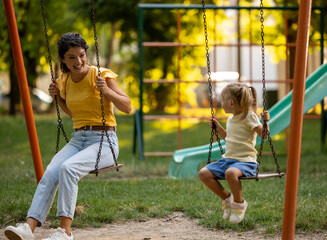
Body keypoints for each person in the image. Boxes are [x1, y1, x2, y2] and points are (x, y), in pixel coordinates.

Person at [4, 32, 131, 240]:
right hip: (78, 139)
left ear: (86, 55)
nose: (78, 61)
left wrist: (107, 92)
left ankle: (65, 232)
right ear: (63, 59)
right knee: (51, 172)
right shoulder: (64, 81)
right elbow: (76, 113)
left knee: (68, 169)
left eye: (81, 55)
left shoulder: (102, 75)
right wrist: (58, 98)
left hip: (104, 142)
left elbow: (127, 106)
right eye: (71, 57)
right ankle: (28, 228)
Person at [198, 82, 270, 224]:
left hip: (246, 162)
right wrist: (218, 129)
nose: (220, 102)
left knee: (230, 173)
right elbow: (229, 139)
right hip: (229, 160)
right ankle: (227, 198)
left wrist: (265, 122)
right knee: (203, 174)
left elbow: (264, 136)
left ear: (231, 103)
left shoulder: (250, 117)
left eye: (222, 99)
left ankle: (239, 204)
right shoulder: (231, 119)